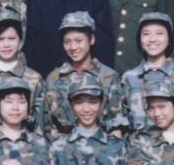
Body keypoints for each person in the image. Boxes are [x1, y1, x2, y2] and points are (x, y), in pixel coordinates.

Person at [43, 12, 128, 141]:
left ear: (91, 39)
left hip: (100, 147)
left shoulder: (109, 76)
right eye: (67, 42)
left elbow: (115, 123)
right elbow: (47, 125)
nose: (73, 47)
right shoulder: (53, 78)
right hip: (63, 148)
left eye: (79, 41)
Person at [122, 12, 174, 134]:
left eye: (159, 33)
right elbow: (122, 122)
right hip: (138, 144)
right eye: (146, 34)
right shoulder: (129, 78)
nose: (152, 39)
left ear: (169, 40)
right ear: (139, 39)